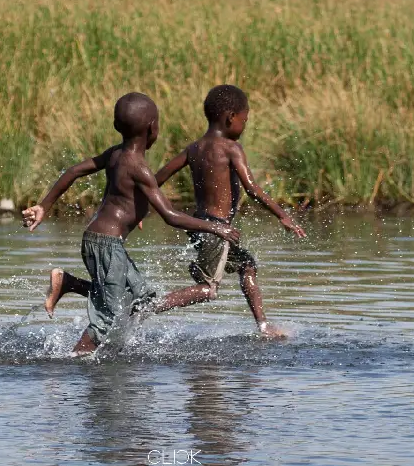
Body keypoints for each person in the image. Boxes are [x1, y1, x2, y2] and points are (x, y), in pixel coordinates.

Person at [22, 92, 240, 356]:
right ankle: (73, 360)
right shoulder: (139, 168)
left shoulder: (115, 155)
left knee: (142, 300)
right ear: (153, 128)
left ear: (117, 126)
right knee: (107, 316)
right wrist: (217, 227)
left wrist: (44, 206)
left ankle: (68, 283)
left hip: (103, 242)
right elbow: (170, 215)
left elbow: (74, 171)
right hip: (106, 245)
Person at [153, 84, 306, 338]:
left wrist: (145, 210)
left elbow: (155, 181)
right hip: (218, 230)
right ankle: (147, 308)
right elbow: (253, 189)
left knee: (247, 265)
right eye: (244, 120)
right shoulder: (231, 148)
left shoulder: (194, 148)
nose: (244, 126)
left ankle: (263, 326)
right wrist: (282, 215)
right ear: (230, 117)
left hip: (201, 225)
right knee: (207, 289)